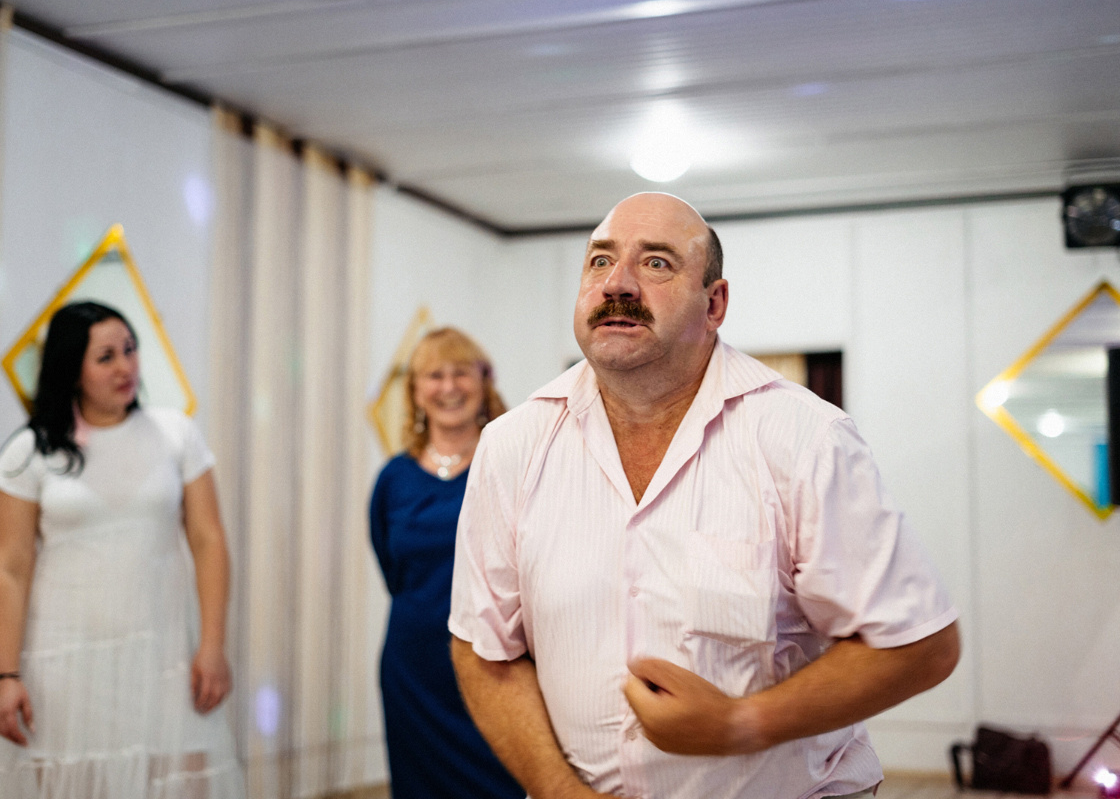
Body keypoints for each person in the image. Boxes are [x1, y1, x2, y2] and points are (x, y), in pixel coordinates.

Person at [448, 193, 961, 799]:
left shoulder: (804, 437)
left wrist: (742, 724)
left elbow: (919, 646)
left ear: (713, 303)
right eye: (599, 261)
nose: (619, 283)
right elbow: (485, 652)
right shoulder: (513, 444)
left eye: (657, 263)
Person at [0, 301, 245, 799]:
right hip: (62, 665)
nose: (126, 367)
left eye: (131, 350)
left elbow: (209, 540)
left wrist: (213, 644)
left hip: (164, 660)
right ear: (72, 370)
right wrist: (4, 674)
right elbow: (8, 567)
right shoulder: (28, 451)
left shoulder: (175, 434)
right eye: (107, 356)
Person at [369, 327, 522, 799]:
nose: (449, 386)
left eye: (461, 373)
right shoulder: (393, 478)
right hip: (413, 667)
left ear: (485, 382)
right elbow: (392, 570)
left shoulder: (511, 463)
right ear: (416, 391)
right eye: (434, 375)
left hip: (495, 660)